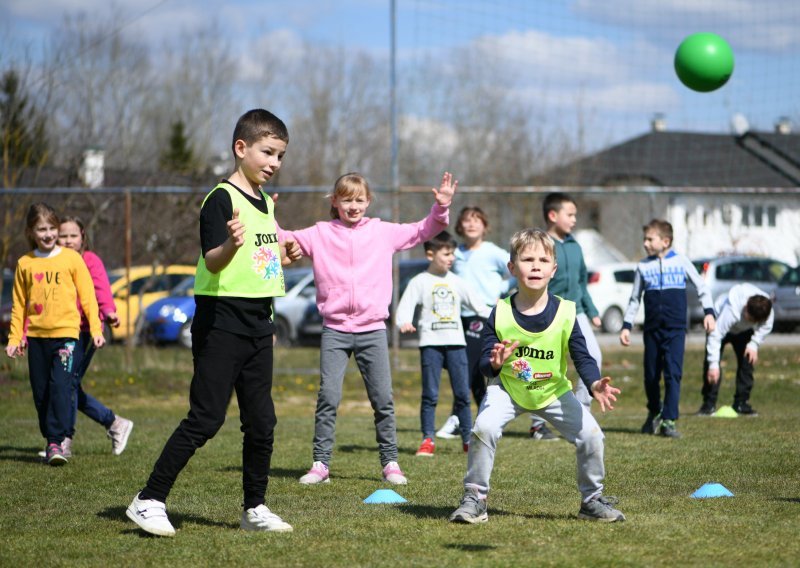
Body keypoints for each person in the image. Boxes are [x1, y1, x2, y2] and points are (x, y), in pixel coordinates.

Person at [127, 109, 300, 537]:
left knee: (262, 423)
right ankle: (148, 499)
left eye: (280, 155)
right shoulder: (219, 199)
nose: (275, 163)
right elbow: (213, 259)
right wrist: (229, 242)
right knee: (206, 419)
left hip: (261, 323)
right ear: (241, 149)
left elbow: (259, 259)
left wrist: (283, 255)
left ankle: (254, 508)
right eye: (267, 152)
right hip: (222, 323)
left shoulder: (265, 203)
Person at [279, 171, 456, 486]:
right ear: (334, 201)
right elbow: (284, 238)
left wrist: (441, 206)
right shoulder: (320, 233)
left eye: (359, 200)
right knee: (328, 397)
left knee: (383, 399)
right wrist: (265, 212)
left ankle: (390, 463)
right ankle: (320, 464)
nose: (353, 205)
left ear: (368, 201)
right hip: (334, 330)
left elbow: (425, 229)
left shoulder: (382, 232)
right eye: (346, 199)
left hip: (373, 329)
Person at [449, 229, 625, 524]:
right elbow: (483, 363)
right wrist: (494, 363)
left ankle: (592, 500)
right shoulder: (499, 311)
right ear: (512, 267)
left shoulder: (567, 312)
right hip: (507, 388)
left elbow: (582, 355)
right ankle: (475, 499)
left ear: (553, 269)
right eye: (527, 259)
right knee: (483, 427)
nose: (535, 265)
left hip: (552, 391)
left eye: (543, 260)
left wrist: (594, 383)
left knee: (592, 435)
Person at [5, 203, 104, 466]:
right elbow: (19, 304)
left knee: (60, 388)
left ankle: (55, 442)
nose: (48, 234)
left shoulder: (72, 259)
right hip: (37, 338)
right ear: (31, 231)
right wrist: (15, 338)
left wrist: (95, 329)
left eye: (52, 228)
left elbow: (88, 297)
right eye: (41, 229)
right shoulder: (25, 263)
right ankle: (51, 437)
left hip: (66, 338)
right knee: (41, 394)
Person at [395, 230, 491, 456]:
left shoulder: (458, 282)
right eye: (446, 253)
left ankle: (468, 439)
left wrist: (505, 314)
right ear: (430, 254)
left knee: (462, 394)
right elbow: (404, 308)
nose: (451, 258)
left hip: (457, 345)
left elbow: (480, 307)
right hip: (430, 345)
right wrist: (404, 322)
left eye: (453, 254)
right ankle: (427, 440)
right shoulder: (419, 282)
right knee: (430, 394)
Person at [619, 219, 715, 438]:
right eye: (644, 239)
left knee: (673, 374)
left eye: (650, 239)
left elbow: (702, 287)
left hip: (675, 330)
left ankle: (669, 420)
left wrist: (709, 312)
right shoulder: (643, 266)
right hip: (652, 330)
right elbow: (635, 298)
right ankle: (655, 411)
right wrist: (626, 325)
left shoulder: (681, 262)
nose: (645, 243)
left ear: (665, 241)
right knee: (651, 376)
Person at [528, 192, 603, 442]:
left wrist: (591, 311)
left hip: (576, 312)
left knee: (593, 357)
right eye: (569, 215)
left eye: (575, 215)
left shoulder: (575, 245)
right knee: (544, 367)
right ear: (552, 215)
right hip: (549, 313)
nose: (574, 220)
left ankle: (581, 414)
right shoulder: (541, 245)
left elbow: (581, 282)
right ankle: (538, 424)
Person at [57, 216, 133, 456]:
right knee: (62, 384)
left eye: (73, 236)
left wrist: (109, 312)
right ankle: (114, 423)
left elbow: (102, 291)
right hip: (57, 329)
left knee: (68, 384)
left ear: (82, 237)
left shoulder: (90, 261)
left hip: (84, 330)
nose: (68, 241)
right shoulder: (53, 262)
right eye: (63, 236)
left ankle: (63, 440)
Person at [435, 206, 513, 440]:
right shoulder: (455, 253)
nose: (471, 225)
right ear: (460, 226)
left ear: (484, 226)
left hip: (483, 316)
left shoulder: (493, 252)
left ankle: (458, 419)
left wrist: (502, 291)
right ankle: (485, 420)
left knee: (468, 367)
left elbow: (516, 271)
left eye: (476, 220)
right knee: (471, 371)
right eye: (467, 221)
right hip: (457, 317)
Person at [698, 283, 773, 417]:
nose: (744, 316)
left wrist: (754, 344)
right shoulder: (732, 311)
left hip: (743, 333)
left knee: (747, 362)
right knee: (711, 367)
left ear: (756, 320)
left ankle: (741, 403)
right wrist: (713, 365)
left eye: (748, 318)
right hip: (719, 327)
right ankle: (708, 404)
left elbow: (766, 327)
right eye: (745, 313)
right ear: (746, 305)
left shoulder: (767, 312)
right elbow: (715, 335)